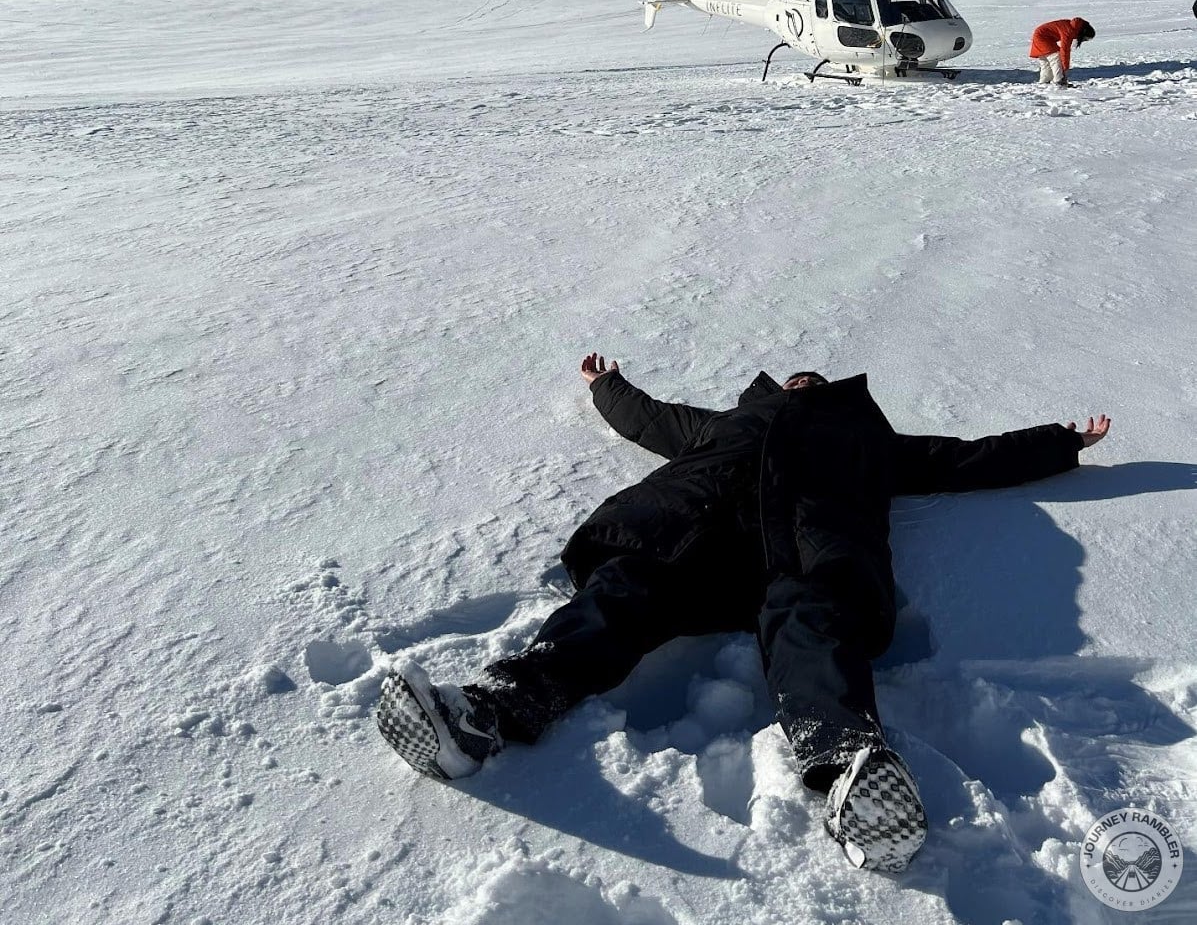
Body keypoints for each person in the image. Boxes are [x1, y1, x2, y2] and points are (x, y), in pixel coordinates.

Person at [377, 356, 1110, 873]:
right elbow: (651, 421)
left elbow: (964, 458)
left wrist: (1058, 441)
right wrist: (607, 385)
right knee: (622, 593)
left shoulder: (867, 442)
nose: (801, 380)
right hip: (693, 535)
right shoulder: (723, 425)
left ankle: (845, 765)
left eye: (812, 380)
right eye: (793, 377)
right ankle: (487, 715)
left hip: (803, 544)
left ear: (830, 394)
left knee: (810, 619)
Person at [1029, 17, 1096, 86]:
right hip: (1043, 38)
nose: (1083, 40)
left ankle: (1045, 81)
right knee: (1055, 58)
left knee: (1046, 61)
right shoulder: (1069, 31)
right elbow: (1065, 50)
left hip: (1040, 36)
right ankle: (1059, 81)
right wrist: (1065, 68)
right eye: (1085, 39)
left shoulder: (1071, 26)